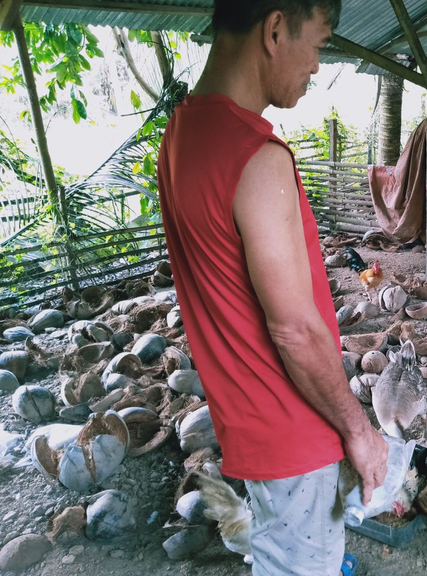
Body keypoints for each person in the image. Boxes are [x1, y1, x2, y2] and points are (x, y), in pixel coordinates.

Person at [156, 1, 389, 575]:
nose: (316, 65)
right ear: (276, 28)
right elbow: (294, 327)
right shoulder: (255, 155)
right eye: (320, 42)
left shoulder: (182, 133)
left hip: (249, 421)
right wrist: (360, 431)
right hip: (292, 429)